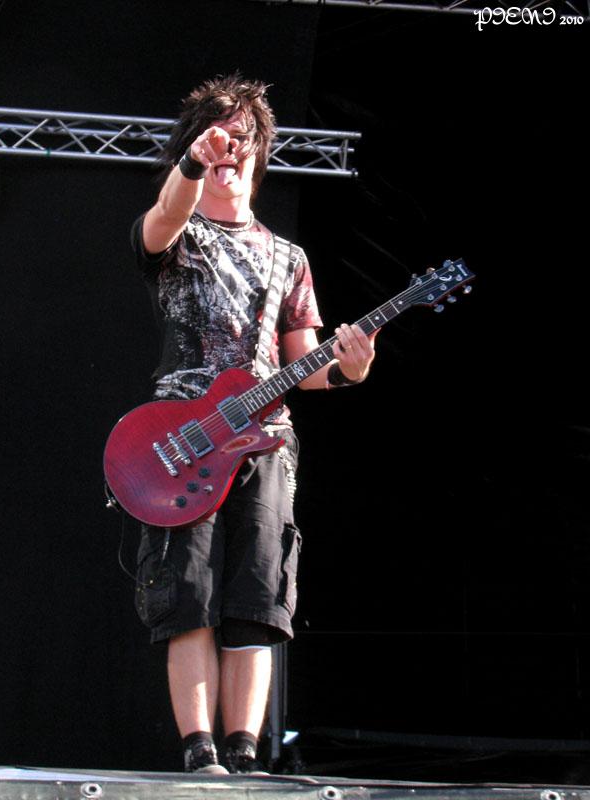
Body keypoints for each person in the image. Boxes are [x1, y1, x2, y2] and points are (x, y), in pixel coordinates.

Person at [131, 74, 376, 775]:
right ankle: (198, 752)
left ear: (260, 153)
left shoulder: (288, 258)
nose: (228, 149)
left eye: (241, 138)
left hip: (266, 441)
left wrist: (352, 368)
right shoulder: (179, 234)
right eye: (215, 138)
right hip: (183, 439)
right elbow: (163, 216)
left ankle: (243, 754)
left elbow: (304, 363)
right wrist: (193, 161)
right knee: (188, 593)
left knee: (259, 596)